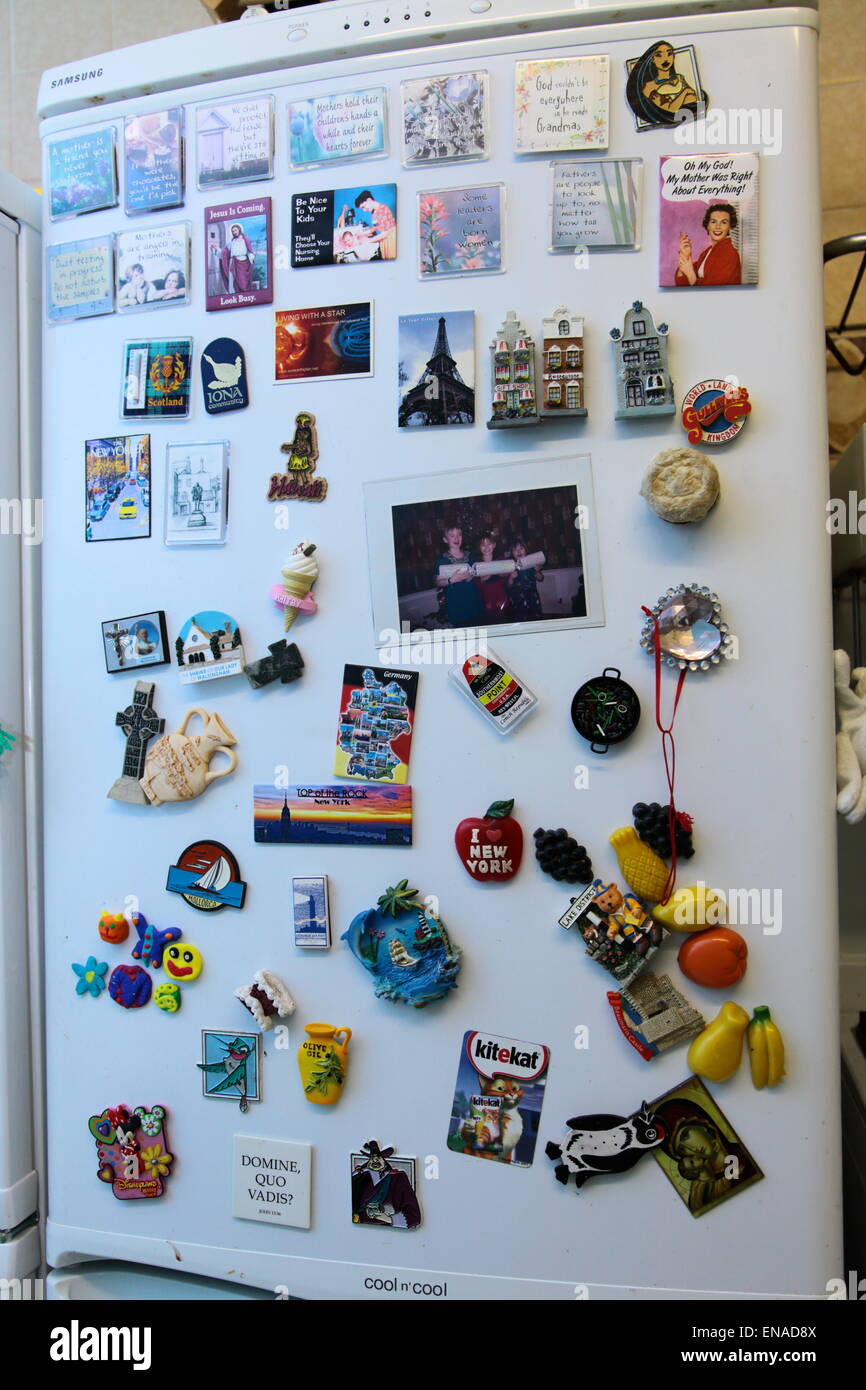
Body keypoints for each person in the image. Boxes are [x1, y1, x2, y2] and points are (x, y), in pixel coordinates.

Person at [626, 40, 702, 127]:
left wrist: (677, 102)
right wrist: (685, 92)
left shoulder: (680, 78)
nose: (665, 59)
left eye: (669, 54)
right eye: (658, 55)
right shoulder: (649, 87)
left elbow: (694, 99)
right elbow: (671, 109)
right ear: (652, 59)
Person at [675, 203, 741, 286]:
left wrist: (690, 273)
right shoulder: (707, 253)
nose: (718, 226)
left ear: (730, 226)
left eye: (724, 222)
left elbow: (713, 290)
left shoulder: (730, 254)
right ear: (708, 225)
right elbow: (683, 284)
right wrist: (686, 255)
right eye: (713, 222)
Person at [434, 523, 484, 627]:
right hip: (456, 606)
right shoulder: (442, 559)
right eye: (452, 535)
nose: (457, 538)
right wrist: (451, 580)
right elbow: (438, 582)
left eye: (459, 534)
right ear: (445, 539)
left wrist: (471, 576)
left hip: (474, 601)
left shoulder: (470, 555)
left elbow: (475, 573)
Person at [475, 533, 512, 623]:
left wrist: (504, 575)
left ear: (494, 545)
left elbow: (508, 582)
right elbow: (476, 585)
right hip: (487, 601)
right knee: (491, 623)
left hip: (502, 599)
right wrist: (482, 580)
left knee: (504, 623)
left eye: (489, 544)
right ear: (479, 547)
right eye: (483, 545)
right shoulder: (477, 564)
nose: (486, 547)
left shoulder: (501, 560)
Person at [507, 537, 544, 621]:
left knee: (535, 619)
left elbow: (541, 578)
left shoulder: (532, 564)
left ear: (526, 550)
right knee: (520, 620)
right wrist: (511, 577)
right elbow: (508, 585)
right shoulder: (511, 566)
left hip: (532, 598)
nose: (519, 551)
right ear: (512, 553)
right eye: (515, 550)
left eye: (521, 548)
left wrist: (537, 571)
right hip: (518, 599)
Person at [353, 190, 397, 260]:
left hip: (390, 239)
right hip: (384, 240)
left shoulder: (383, 209)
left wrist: (366, 242)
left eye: (363, 207)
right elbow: (375, 227)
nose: (364, 210)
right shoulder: (374, 212)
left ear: (369, 200)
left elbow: (385, 234)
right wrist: (361, 234)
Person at [220, 223, 256, 294]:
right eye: (233, 231)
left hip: (243, 264)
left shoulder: (245, 240)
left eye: (235, 230)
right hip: (233, 264)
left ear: (239, 230)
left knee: (243, 283)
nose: (234, 232)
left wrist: (252, 257)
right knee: (234, 282)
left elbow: (249, 251)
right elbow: (225, 251)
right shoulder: (232, 242)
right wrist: (216, 249)